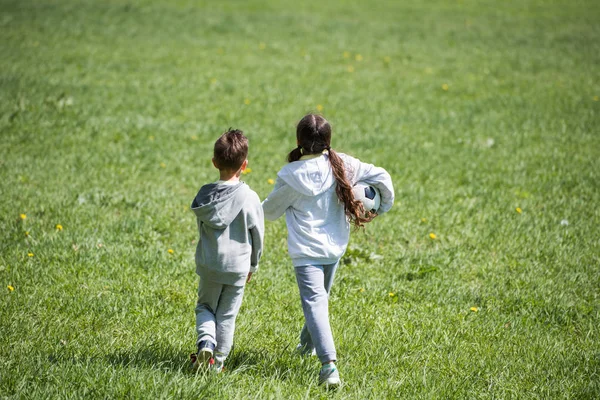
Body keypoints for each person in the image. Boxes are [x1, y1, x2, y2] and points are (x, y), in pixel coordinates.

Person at [262, 114, 394, 388]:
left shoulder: (290, 176)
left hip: (306, 253)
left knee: (315, 304)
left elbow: (270, 212)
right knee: (318, 303)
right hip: (334, 249)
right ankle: (305, 346)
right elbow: (381, 175)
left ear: (299, 142)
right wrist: (382, 206)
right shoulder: (344, 164)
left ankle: (329, 366)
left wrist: (254, 205)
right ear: (328, 142)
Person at [190, 129, 264, 373]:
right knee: (227, 316)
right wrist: (253, 265)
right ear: (245, 164)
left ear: (214, 162)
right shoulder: (250, 197)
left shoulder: (204, 196)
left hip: (210, 265)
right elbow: (257, 236)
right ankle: (217, 364)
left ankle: (206, 342)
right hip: (237, 268)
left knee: (205, 308)